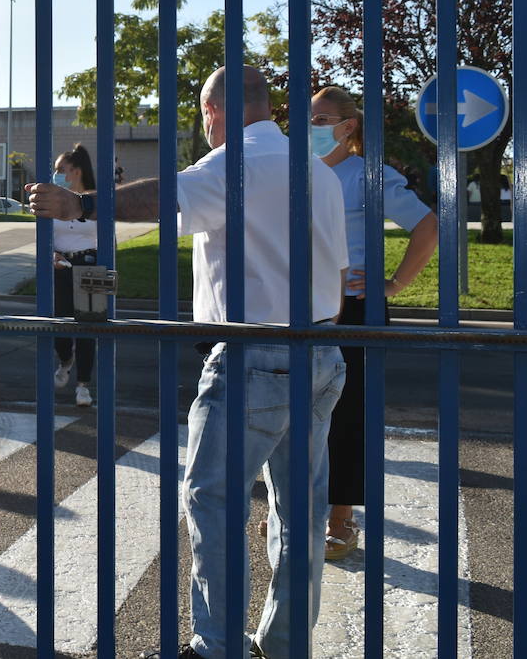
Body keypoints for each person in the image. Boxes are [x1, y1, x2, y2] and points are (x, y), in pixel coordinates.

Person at [28, 65, 348, 659]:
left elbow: (165, 196)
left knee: (215, 501)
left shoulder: (236, 161)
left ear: (214, 110)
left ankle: (218, 646)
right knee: (300, 511)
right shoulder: (313, 167)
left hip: (253, 354)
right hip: (321, 349)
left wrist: (80, 202)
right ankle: (283, 645)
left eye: (204, 115)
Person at [311, 85, 436, 560]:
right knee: (298, 412)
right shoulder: (295, 175)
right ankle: (300, 510)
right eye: (308, 120)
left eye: (322, 121)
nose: (312, 130)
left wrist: (394, 285)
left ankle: (341, 519)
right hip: (300, 307)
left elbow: (427, 226)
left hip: (354, 307)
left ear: (349, 127)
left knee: (345, 414)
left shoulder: (367, 176)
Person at [50, 146, 97, 407]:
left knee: (88, 327)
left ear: (76, 171)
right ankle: (66, 359)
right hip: (61, 265)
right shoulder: (54, 201)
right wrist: (52, 254)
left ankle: (83, 385)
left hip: (90, 263)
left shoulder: (95, 199)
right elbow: (43, 236)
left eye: (61, 170)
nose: (56, 174)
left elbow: (107, 237)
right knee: (61, 325)